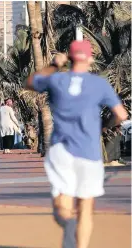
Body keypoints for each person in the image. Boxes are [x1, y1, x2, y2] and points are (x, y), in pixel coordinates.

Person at [26, 40, 128, 248]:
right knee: (86, 207)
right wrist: (105, 126)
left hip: (61, 150)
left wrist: (54, 65)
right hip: (88, 152)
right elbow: (121, 114)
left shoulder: (56, 80)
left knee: (63, 203)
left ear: (70, 59)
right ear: (90, 59)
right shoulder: (99, 84)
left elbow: (30, 83)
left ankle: (67, 221)